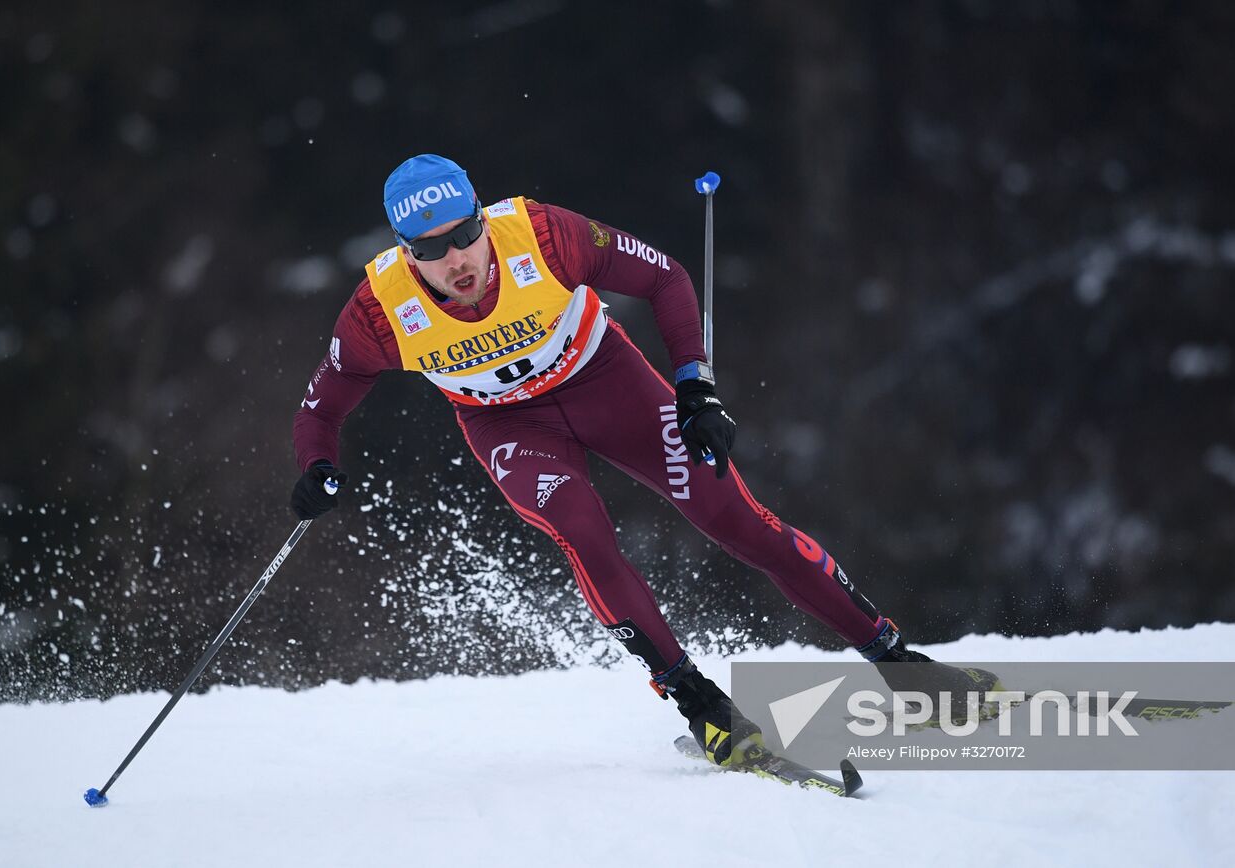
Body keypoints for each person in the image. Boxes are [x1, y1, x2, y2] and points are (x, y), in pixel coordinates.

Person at [290, 154, 994, 767]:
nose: (460, 259)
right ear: (406, 253)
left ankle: (898, 664)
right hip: (509, 425)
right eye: (434, 249)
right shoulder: (378, 313)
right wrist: (317, 467)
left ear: (482, 217)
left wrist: (694, 385)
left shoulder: (543, 235)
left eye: (467, 233)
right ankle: (700, 704)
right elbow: (321, 410)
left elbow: (667, 278)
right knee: (584, 532)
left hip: (607, 383)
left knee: (737, 521)